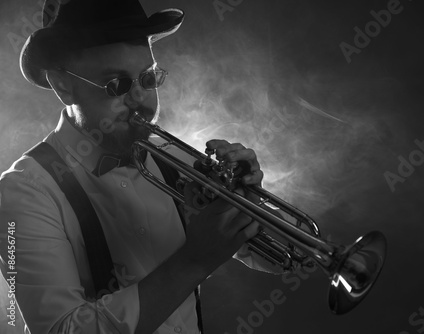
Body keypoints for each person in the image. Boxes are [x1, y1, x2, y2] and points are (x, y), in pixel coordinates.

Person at [0, 1, 280, 333]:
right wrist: (194, 261)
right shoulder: (23, 192)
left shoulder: (177, 159)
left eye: (147, 79)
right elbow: (61, 329)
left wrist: (251, 205)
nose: (139, 100)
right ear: (64, 86)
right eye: (116, 85)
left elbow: (278, 260)